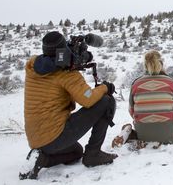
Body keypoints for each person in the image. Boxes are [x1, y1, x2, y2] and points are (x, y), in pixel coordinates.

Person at [20, 31, 118, 180]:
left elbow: (56, 86)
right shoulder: (66, 74)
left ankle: (41, 159)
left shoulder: (33, 66)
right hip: (54, 136)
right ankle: (93, 154)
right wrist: (105, 87)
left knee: (76, 152)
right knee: (106, 101)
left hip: (37, 139)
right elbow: (88, 98)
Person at [112, 50, 173, 149]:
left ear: (145, 65)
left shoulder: (136, 84)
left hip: (143, 134)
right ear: (161, 63)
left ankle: (128, 132)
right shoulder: (171, 83)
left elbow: (131, 111)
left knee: (139, 129)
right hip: (170, 135)